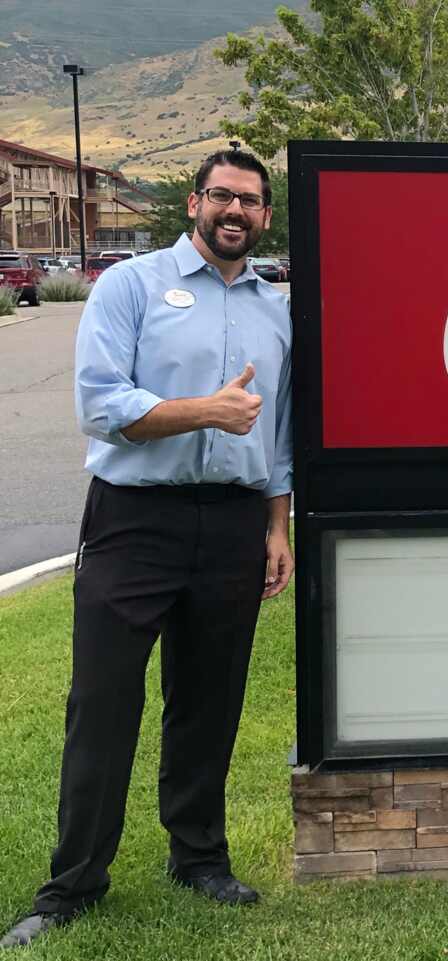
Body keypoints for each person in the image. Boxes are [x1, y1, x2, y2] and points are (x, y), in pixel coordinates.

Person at [3, 149, 293, 950]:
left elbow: (281, 434)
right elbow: (101, 406)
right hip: (135, 518)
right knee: (103, 703)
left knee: (208, 702)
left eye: (252, 201)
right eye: (222, 197)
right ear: (194, 202)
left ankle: (198, 857)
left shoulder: (276, 309)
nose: (235, 211)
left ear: (266, 215)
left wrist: (278, 526)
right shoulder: (128, 286)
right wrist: (205, 411)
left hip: (235, 520)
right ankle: (72, 884)